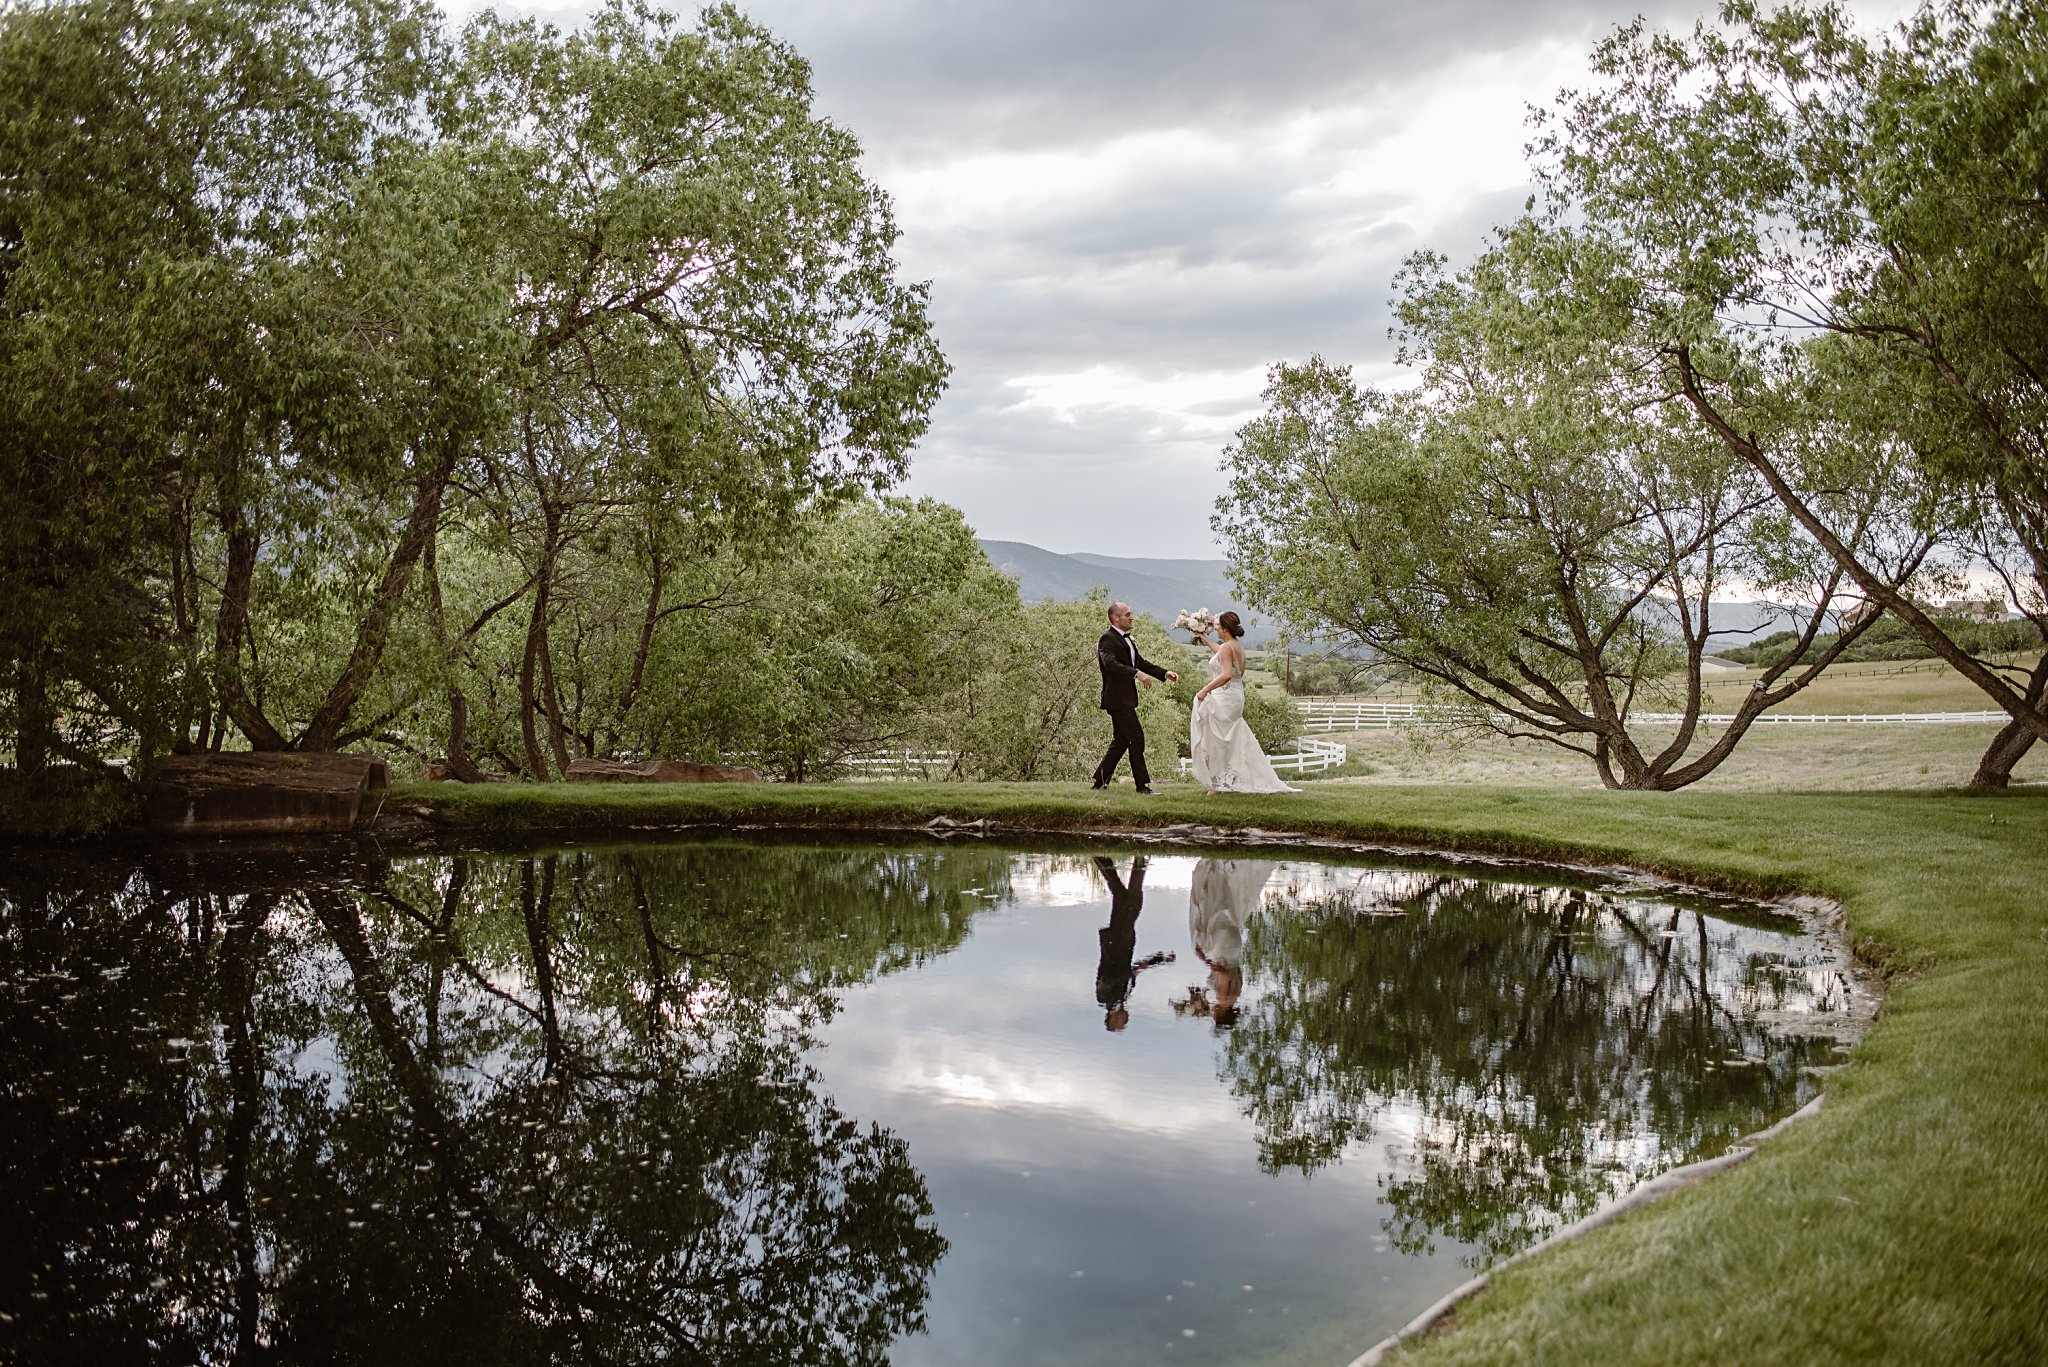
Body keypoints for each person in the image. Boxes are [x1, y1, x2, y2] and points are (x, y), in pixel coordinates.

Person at [1189, 610, 1299, 795]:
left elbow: (1226, 675)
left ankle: (1217, 784)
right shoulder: (1235, 645)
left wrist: (1204, 690)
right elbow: (1219, 652)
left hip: (1225, 697)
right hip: (1235, 696)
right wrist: (1202, 637)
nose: (1215, 630)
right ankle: (1225, 781)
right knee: (1225, 738)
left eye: (1218, 627)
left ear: (1225, 629)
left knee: (1216, 739)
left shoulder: (1227, 648)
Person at [1093, 601, 1177, 793]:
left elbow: (1140, 662)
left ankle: (1100, 782)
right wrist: (1136, 674)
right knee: (1136, 737)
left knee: (1122, 740)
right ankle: (1142, 786)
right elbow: (1110, 664)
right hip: (1116, 699)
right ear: (1116, 618)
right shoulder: (1107, 639)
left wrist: (1164, 673)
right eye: (1128, 614)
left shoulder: (1126, 640)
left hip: (1124, 699)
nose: (1131, 617)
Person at [1093, 855, 1173, 1031]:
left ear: (1112, 1019)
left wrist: (1132, 972)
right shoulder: (1124, 997)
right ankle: (1109, 860)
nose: (1126, 1020)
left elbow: (1110, 978)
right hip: (1125, 940)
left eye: (1121, 1023)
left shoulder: (1104, 998)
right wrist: (1159, 960)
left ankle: (1139, 860)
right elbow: (1135, 969)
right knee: (1122, 897)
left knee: (1133, 902)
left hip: (1115, 942)